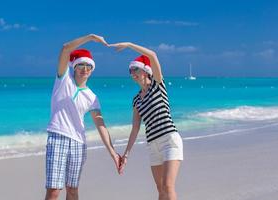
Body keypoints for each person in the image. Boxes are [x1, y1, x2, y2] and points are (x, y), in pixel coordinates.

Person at [45, 34, 120, 200]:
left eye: (88, 66)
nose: (85, 68)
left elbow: (101, 125)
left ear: (92, 70)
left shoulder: (92, 97)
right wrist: (91, 37)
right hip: (58, 138)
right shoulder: (63, 80)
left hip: (79, 143)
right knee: (54, 191)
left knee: (72, 189)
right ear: (74, 67)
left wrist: (113, 153)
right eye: (81, 65)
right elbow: (65, 48)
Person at [110, 42, 184, 200]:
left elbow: (153, 55)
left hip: (169, 140)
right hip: (152, 145)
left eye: (135, 69)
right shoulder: (136, 99)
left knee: (168, 186)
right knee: (160, 189)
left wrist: (129, 45)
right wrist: (126, 155)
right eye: (130, 71)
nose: (132, 73)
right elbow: (135, 128)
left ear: (146, 70)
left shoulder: (158, 85)